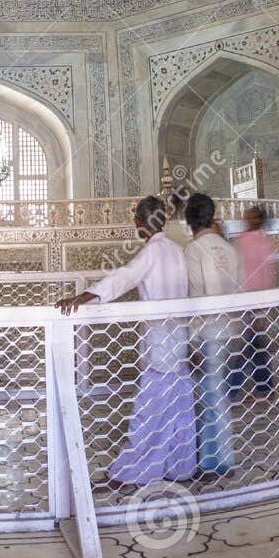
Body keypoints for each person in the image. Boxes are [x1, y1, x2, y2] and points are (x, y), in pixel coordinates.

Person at [56, 196, 195, 485]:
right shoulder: (176, 250)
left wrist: (85, 296)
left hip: (160, 345)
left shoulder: (154, 251)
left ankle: (132, 471)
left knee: (151, 411)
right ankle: (180, 467)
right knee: (179, 409)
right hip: (179, 341)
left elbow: (125, 277)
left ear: (139, 224)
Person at [182, 193, 240, 475]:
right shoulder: (227, 248)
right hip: (229, 329)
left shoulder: (194, 249)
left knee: (209, 399)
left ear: (189, 219)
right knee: (219, 396)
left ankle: (214, 461)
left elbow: (196, 298)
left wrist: (191, 341)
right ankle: (219, 457)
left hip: (207, 333)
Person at [230, 205, 274, 396]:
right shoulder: (240, 241)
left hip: (255, 301)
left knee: (249, 344)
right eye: (248, 215)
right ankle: (262, 385)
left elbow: (267, 275)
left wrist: (262, 308)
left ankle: (234, 386)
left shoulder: (264, 244)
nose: (249, 218)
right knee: (250, 344)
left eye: (254, 216)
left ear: (259, 219)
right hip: (241, 299)